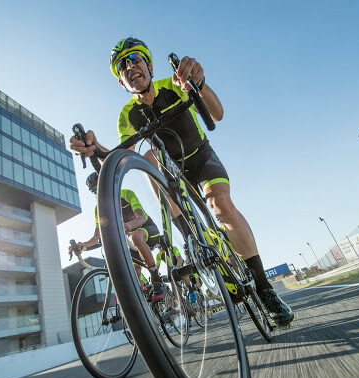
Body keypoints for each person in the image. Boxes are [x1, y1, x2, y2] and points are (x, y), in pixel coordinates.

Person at [69, 37, 293, 327]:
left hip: (202, 158)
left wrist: (199, 85)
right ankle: (190, 236)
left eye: (135, 58)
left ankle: (264, 289)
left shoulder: (173, 84)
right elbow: (120, 160)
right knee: (149, 158)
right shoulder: (127, 116)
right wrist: (96, 149)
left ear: (149, 65)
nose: (130, 66)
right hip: (175, 174)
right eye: (122, 66)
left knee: (220, 204)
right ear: (122, 82)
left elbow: (217, 114)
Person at [70, 171, 165, 302]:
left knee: (136, 237)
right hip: (132, 241)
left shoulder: (126, 194)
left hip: (148, 231)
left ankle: (156, 278)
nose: (96, 193)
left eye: (98, 188)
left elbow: (141, 217)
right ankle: (143, 305)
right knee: (135, 270)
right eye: (93, 191)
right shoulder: (99, 210)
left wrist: (129, 226)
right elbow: (98, 237)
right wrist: (82, 246)